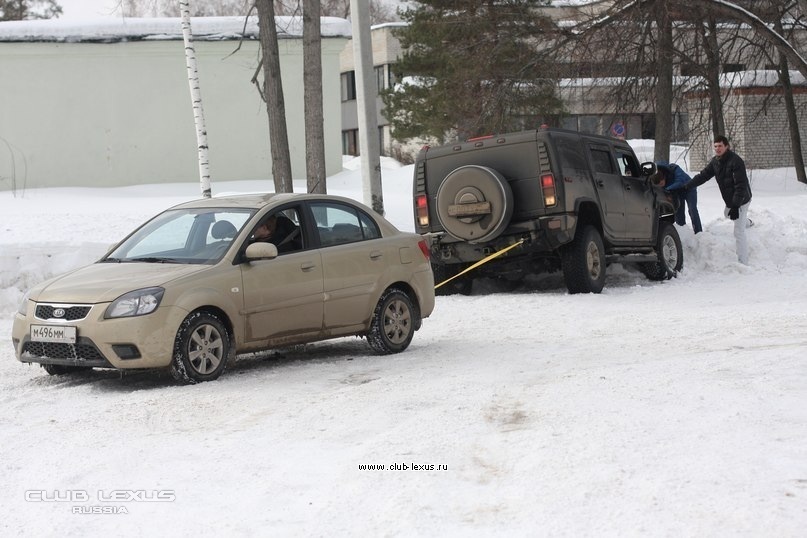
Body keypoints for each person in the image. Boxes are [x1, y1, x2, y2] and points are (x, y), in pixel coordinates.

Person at [685, 135, 752, 264]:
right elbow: (703, 176)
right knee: (727, 214)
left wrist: (736, 206)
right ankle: (747, 222)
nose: (717, 149)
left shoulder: (736, 161)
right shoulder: (715, 162)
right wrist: (688, 185)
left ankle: (743, 262)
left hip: (742, 199)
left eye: (720, 146)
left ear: (727, 146)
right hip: (730, 201)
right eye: (715, 146)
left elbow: (740, 186)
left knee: (738, 232)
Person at [655, 160, 702, 234]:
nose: (662, 186)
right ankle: (683, 232)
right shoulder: (656, 177)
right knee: (678, 212)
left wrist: (667, 189)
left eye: (662, 183)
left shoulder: (675, 169)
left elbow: (680, 181)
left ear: (664, 176)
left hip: (689, 188)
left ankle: (698, 232)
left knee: (692, 210)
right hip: (677, 192)